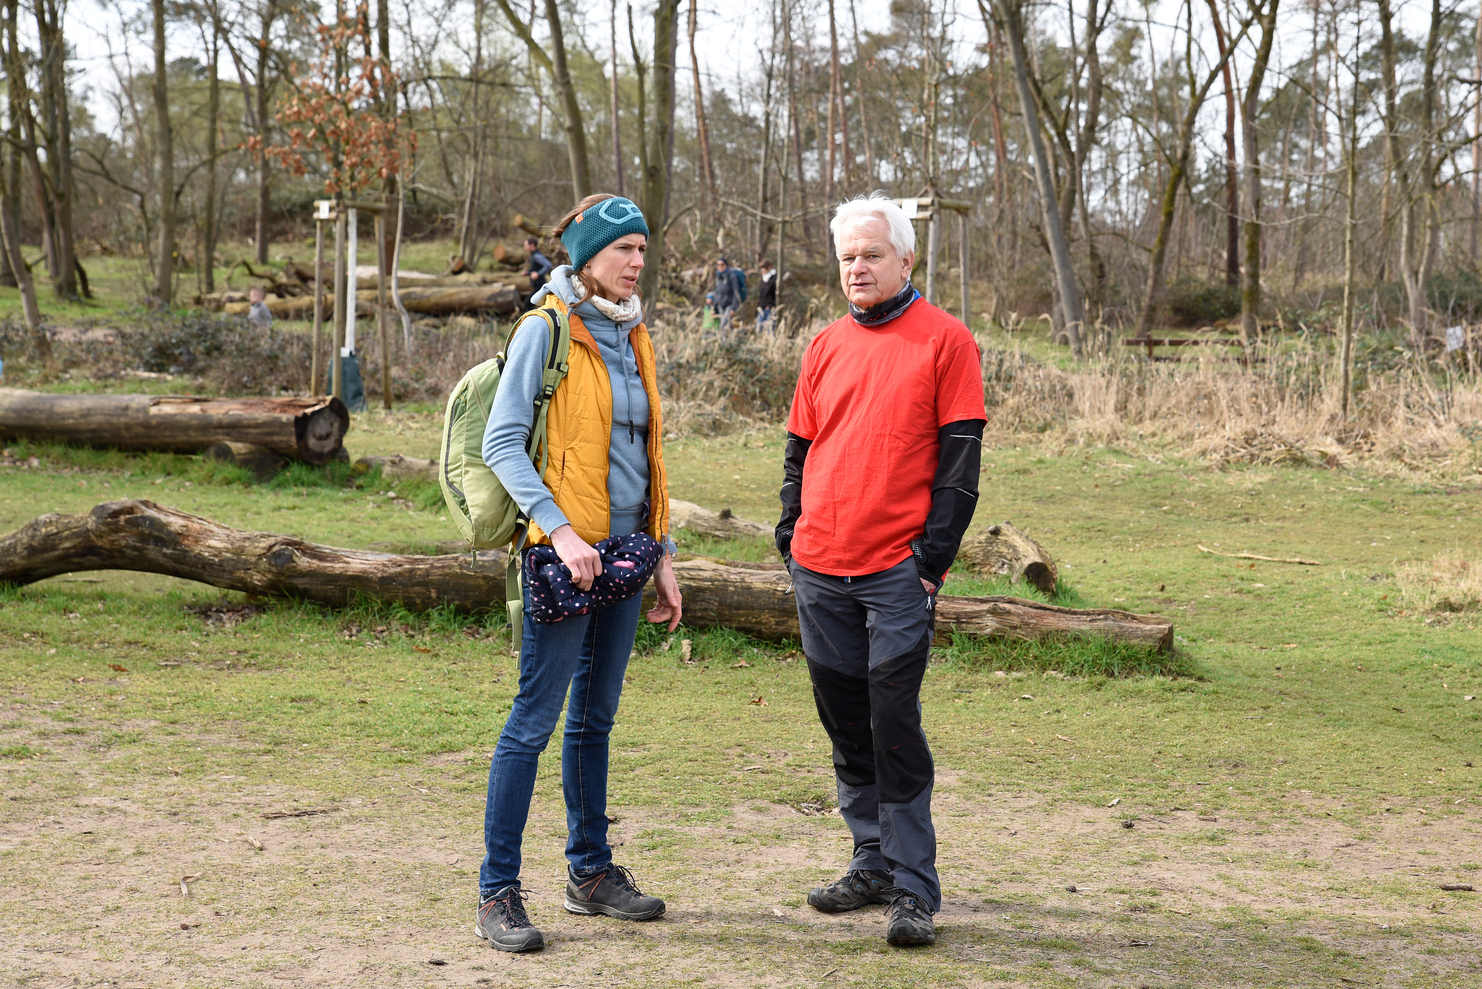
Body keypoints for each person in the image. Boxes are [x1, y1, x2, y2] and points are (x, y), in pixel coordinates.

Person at [776, 192, 986, 948]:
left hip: (896, 573)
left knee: (893, 724)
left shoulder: (946, 340)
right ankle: (869, 858)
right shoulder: (825, 344)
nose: (858, 268)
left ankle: (914, 886)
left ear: (906, 258)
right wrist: (788, 534)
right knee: (845, 722)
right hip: (820, 569)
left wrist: (931, 560)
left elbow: (961, 465)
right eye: (847, 258)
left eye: (870, 254)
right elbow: (801, 448)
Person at [476, 193, 684, 953]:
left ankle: (589, 874)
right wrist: (560, 532)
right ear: (587, 256)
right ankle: (497, 891)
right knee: (533, 723)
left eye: (641, 248)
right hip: (564, 558)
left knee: (595, 721)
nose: (637, 261)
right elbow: (503, 442)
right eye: (624, 249)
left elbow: (647, 457)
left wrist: (663, 554)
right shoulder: (547, 328)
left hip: (627, 556)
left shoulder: (635, 336)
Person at [520, 236, 555, 315]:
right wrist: (528, 272)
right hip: (537, 286)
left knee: (526, 306)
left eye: (526, 245)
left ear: (532, 245)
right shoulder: (533, 256)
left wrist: (539, 274)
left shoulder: (537, 256)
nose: (525, 247)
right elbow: (535, 269)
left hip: (540, 286)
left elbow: (548, 265)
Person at [711, 257, 741, 335]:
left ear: (726, 265)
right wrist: (714, 308)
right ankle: (731, 341)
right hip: (720, 305)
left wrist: (734, 307)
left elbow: (736, 292)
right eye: (718, 265)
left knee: (723, 325)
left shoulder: (731, 276)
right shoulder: (718, 277)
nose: (720, 266)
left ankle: (723, 343)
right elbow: (716, 293)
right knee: (727, 325)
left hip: (729, 304)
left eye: (722, 264)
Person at [755, 260, 777, 333]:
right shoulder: (763, 278)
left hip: (770, 306)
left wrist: (770, 304)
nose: (762, 270)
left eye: (764, 268)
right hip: (762, 306)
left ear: (769, 267)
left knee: (769, 329)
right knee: (758, 328)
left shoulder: (774, 278)